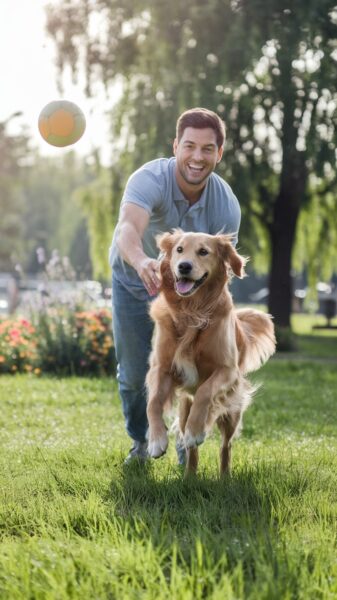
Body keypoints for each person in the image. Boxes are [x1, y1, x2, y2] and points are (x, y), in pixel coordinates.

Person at [109, 107, 241, 464]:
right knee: (137, 372)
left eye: (208, 148)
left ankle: (187, 442)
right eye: (190, 146)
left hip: (194, 301)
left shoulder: (226, 206)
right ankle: (141, 440)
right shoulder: (149, 179)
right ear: (176, 146)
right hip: (136, 284)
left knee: (195, 371)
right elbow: (127, 230)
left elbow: (220, 271)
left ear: (219, 153)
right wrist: (142, 262)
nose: (197, 157)